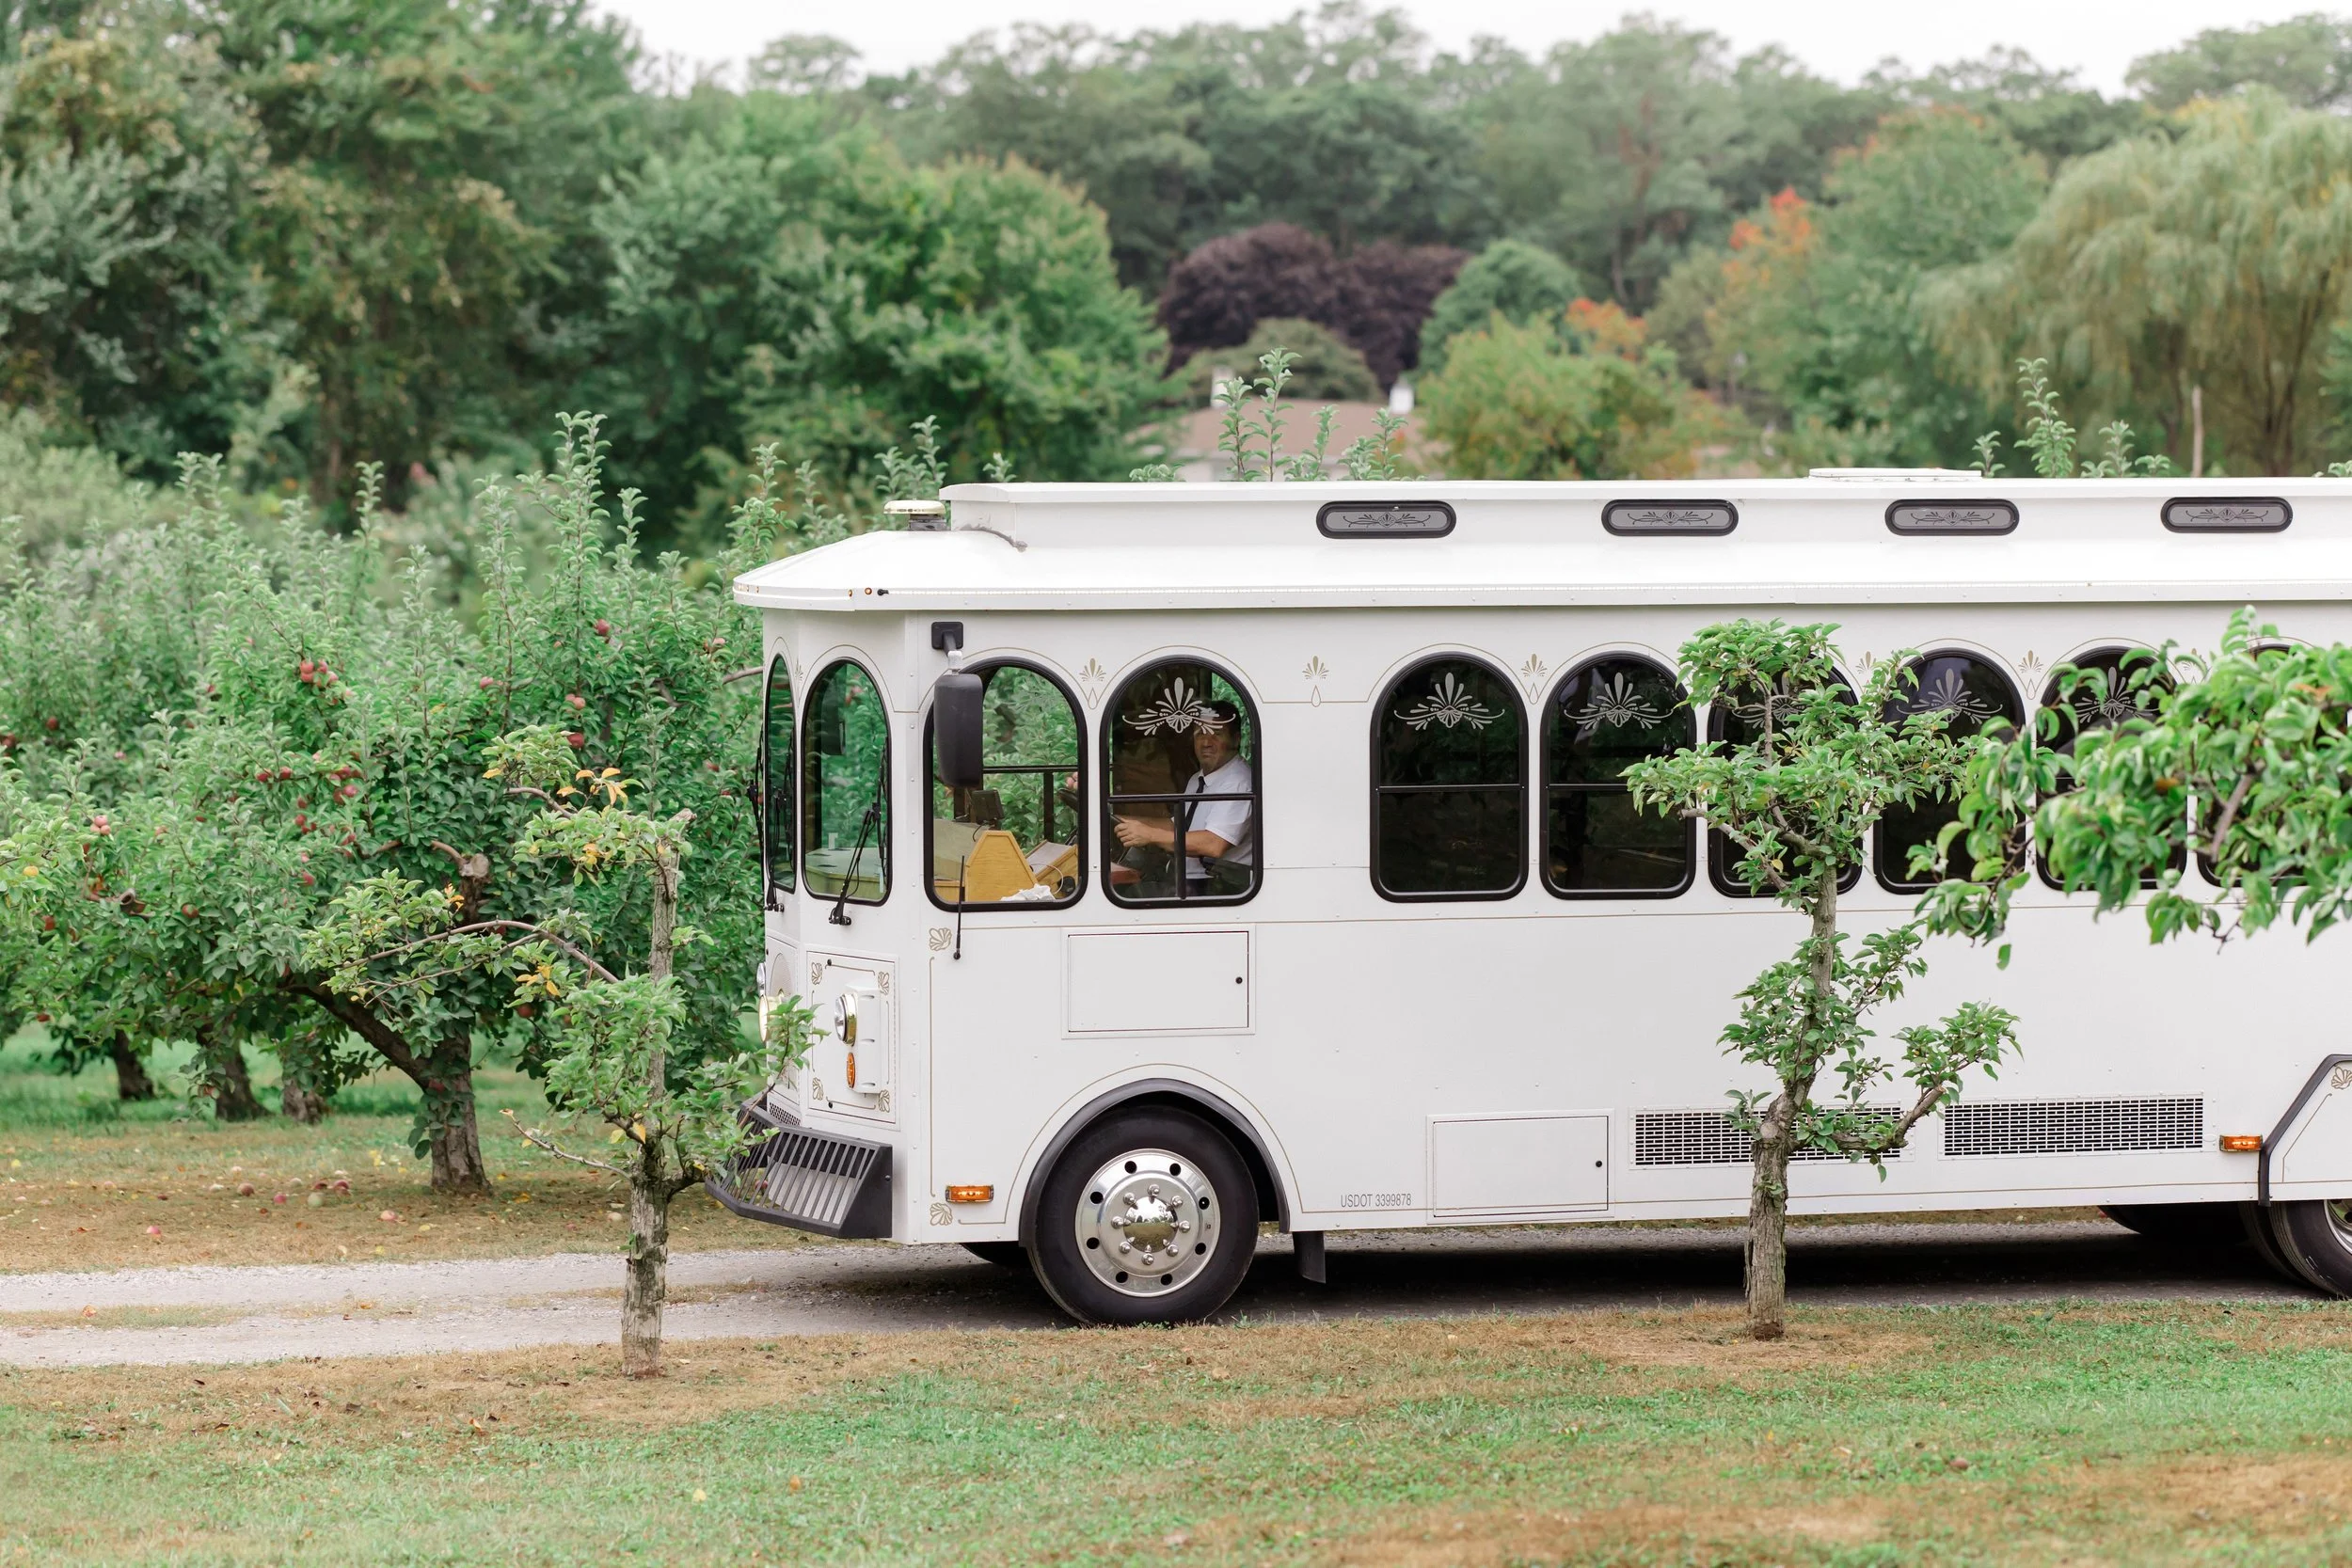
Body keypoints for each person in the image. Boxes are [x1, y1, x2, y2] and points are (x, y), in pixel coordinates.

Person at [1114, 699, 1254, 893]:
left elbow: (1214, 844)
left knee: (1125, 896)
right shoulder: (1199, 778)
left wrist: (1150, 835)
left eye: (1217, 734)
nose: (1206, 742)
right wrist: (1121, 821)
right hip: (1187, 877)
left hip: (1219, 887)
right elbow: (1178, 825)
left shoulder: (1239, 782)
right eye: (1200, 734)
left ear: (1236, 739)